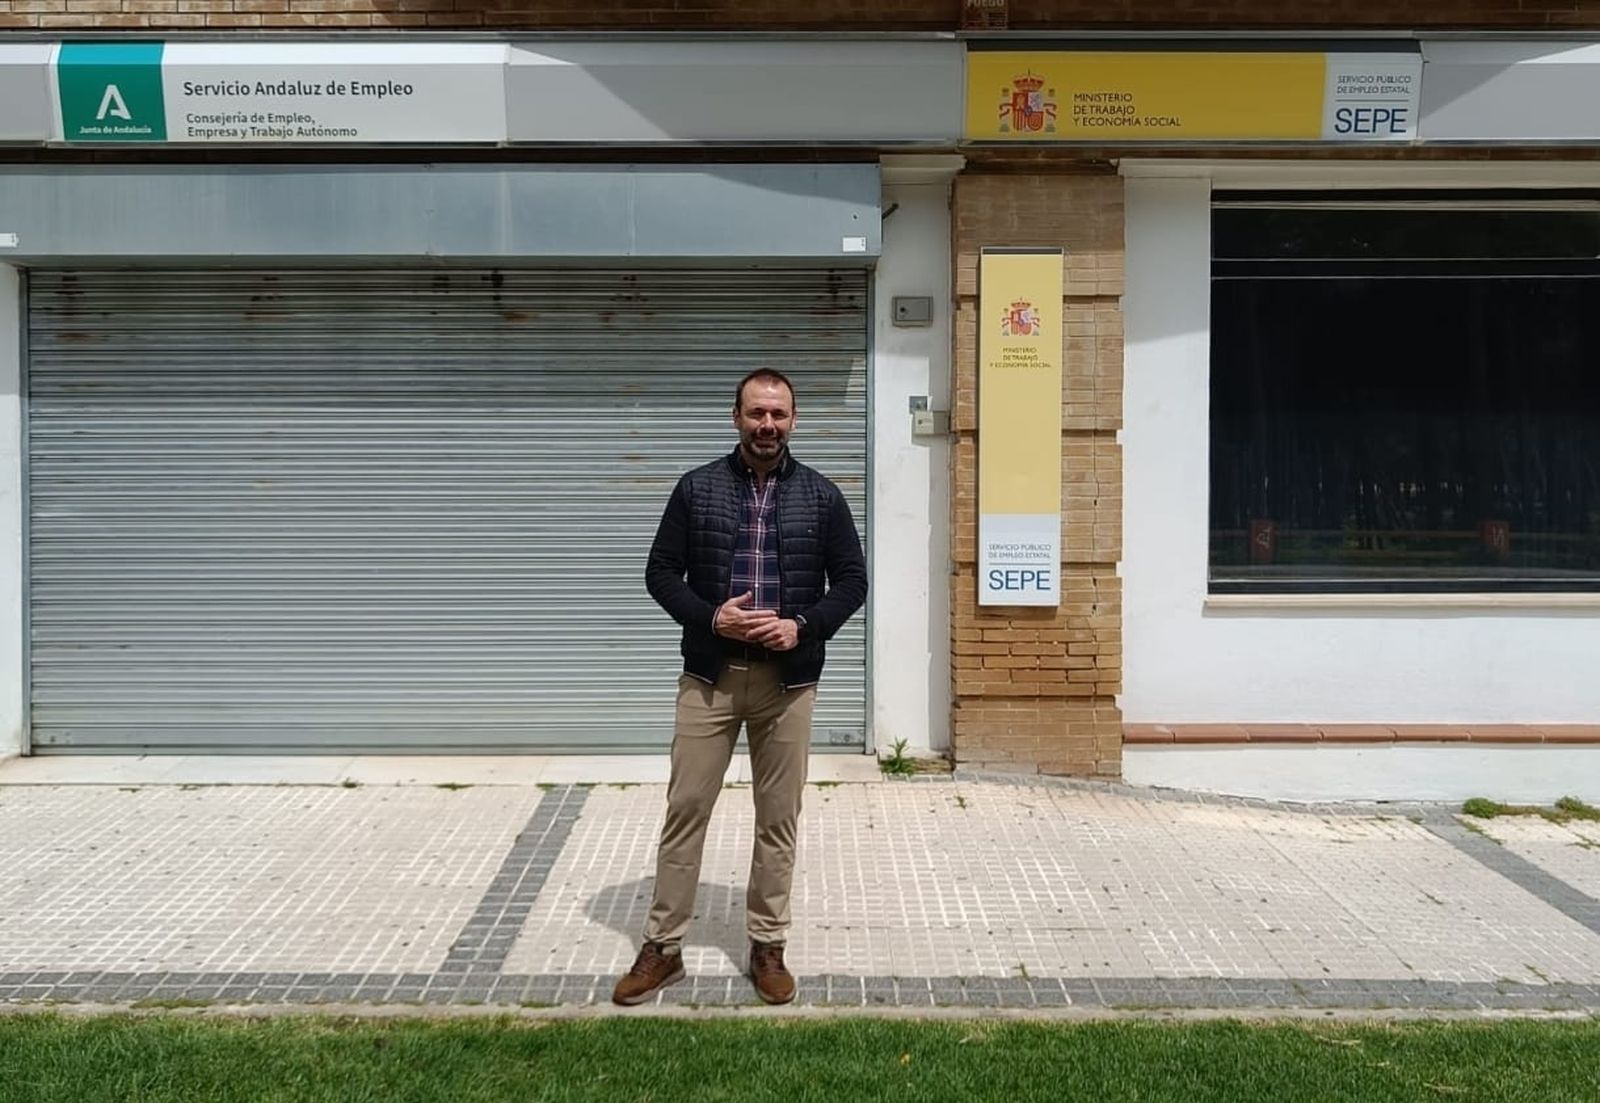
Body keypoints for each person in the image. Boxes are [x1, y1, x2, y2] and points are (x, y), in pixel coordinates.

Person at [612, 367, 868, 1006]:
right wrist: (711, 616)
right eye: (756, 413)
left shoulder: (822, 495)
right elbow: (661, 573)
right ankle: (663, 947)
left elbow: (853, 582)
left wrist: (802, 626)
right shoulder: (697, 489)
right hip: (710, 678)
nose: (767, 425)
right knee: (686, 811)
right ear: (736, 417)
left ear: (793, 420)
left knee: (777, 819)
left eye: (778, 414)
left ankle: (767, 944)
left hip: (788, 684)